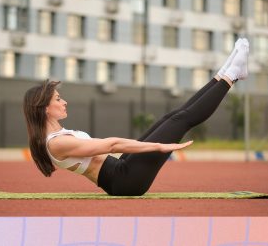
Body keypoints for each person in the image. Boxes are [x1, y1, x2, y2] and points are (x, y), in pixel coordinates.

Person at [23, 38, 249, 196]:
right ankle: (231, 76)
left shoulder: (57, 136)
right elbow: (111, 145)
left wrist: (153, 145)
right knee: (180, 121)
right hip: (125, 180)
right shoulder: (57, 143)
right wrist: (158, 147)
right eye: (58, 99)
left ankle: (225, 73)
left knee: (173, 116)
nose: (64, 102)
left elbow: (113, 149)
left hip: (121, 170)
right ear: (44, 108)